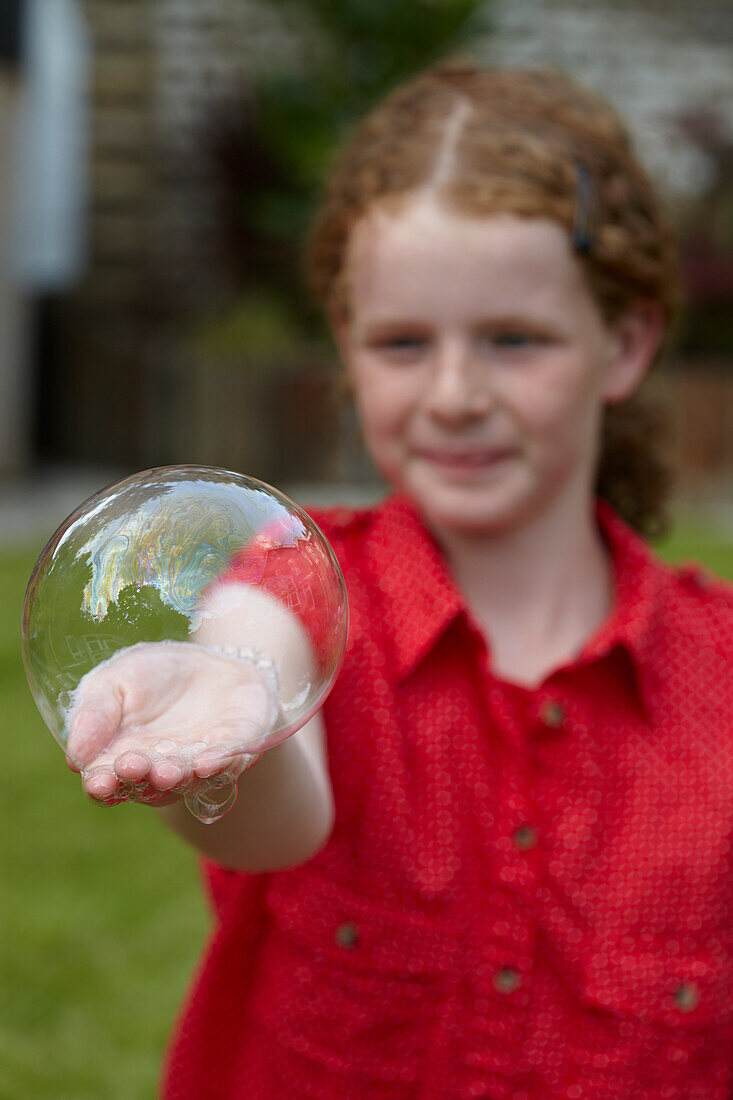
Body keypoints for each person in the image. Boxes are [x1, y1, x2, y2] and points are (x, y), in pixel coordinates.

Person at [66, 62, 733, 1099]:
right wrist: (229, 705)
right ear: (345, 343)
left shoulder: (719, 679)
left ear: (626, 341)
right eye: (402, 343)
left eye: (514, 340)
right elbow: (274, 798)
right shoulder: (294, 580)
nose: (454, 393)